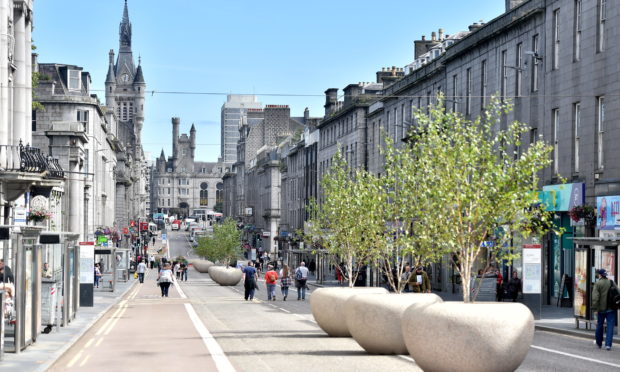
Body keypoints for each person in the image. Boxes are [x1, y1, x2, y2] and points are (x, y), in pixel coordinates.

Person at [593, 268, 616, 350]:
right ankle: (608, 345)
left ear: (600, 275)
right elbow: (618, 292)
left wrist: (595, 308)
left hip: (601, 309)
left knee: (600, 325)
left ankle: (599, 343)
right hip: (611, 309)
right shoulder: (611, 282)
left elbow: (595, 297)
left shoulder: (598, 284)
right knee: (610, 326)